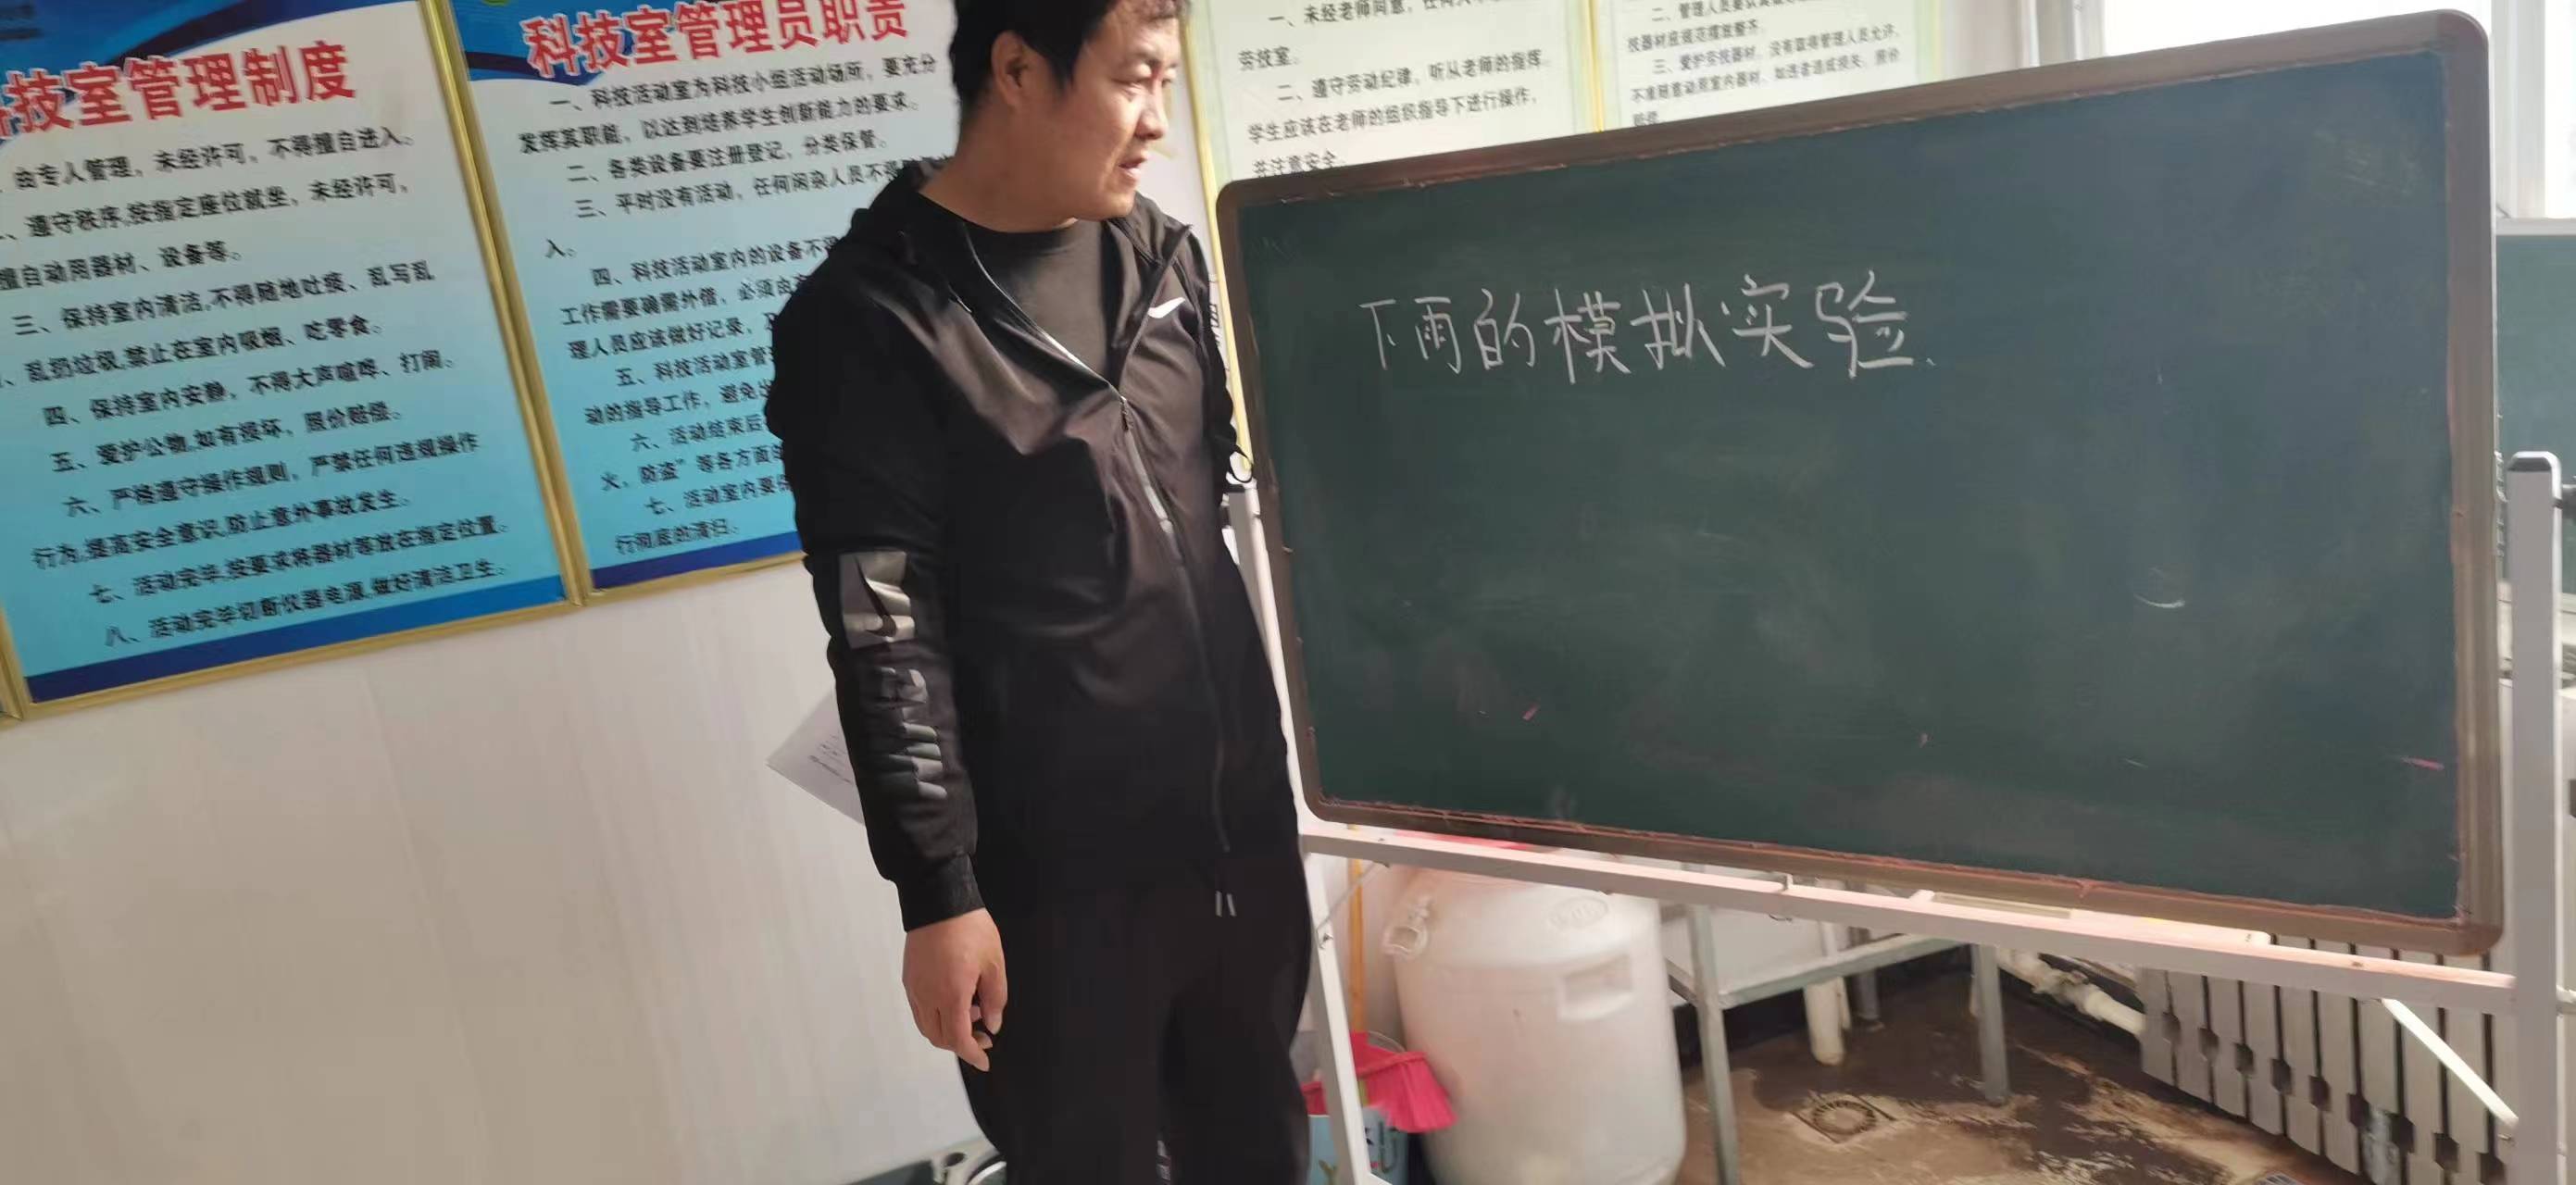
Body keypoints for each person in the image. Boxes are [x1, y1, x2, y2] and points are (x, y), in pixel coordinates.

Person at [764, 1, 1308, 1179]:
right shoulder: (871, 321)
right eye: (1132, 79)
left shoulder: (1163, 259)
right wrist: (939, 892)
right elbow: (881, 627)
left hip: (1238, 840)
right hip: (1053, 888)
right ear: (1016, 68)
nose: (1156, 120)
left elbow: (1211, 519)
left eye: (1166, 83)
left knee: (1258, 1145)